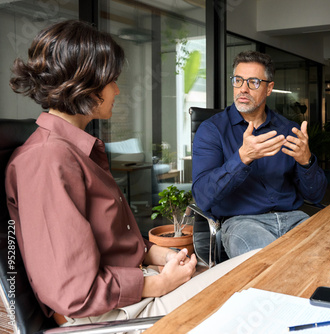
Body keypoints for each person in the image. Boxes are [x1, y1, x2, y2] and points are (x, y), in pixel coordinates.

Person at [5, 20, 255, 327]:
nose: (117, 90)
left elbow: (107, 242)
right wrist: (159, 284)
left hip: (135, 289)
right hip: (109, 316)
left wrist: (154, 255)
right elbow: (74, 292)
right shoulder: (46, 161)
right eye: (111, 81)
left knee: (257, 266)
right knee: (253, 282)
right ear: (87, 83)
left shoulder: (75, 151)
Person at [192, 51, 328, 259]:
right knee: (269, 264)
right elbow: (202, 196)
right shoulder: (212, 130)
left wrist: (306, 162)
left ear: (269, 88)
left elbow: (316, 196)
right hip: (242, 222)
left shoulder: (288, 130)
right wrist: (242, 158)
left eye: (253, 82)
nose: (243, 89)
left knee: (327, 254)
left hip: (293, 218)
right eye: (238, 80)